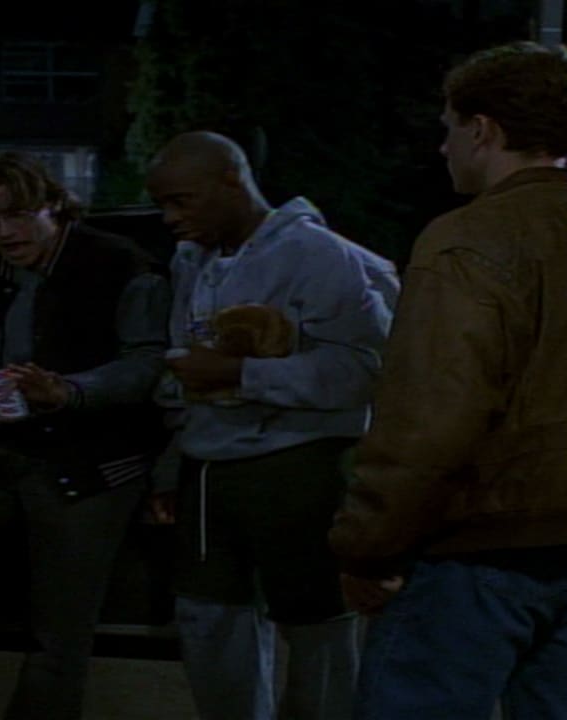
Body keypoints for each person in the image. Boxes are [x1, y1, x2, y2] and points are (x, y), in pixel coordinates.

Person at [328, 41, 567, 720]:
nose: (443, 148)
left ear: (483, 129)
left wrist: (368, 546)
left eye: (449, 128)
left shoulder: (469, 239)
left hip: (489, 546)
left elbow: (430, 421)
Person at [0, 149, 171, 719]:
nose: (4, 232)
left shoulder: (119, 265)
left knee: (60, 632)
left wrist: (69, 391)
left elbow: (147, 363)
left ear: (54, 206)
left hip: (86, 467)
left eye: (16, 215)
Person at [144, 130, 400, 720]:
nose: (170, 218)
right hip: (209, 470)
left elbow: (368, 371)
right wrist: (174, 460)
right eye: (163, 204)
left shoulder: (322, 256)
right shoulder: (193, 260)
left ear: (231, 182)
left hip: (300, 465)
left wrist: (241, 374)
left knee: (318, 628)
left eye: (182, 201)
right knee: (208, 621)